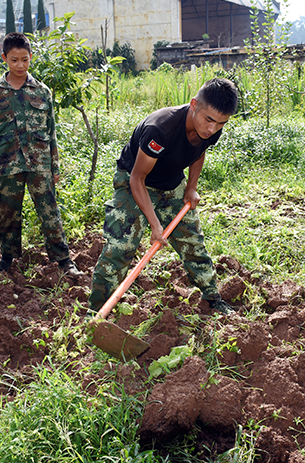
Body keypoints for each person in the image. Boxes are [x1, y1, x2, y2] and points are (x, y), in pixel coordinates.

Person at [89, 77, 238, 314]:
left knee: (192, 240)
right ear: (193, 105)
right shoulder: (160, 129)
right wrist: (155, 224)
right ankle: (97, 312)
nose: (212, 129)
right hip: (135, 180)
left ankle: (212, 298)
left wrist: (191, 187)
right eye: (209, 120)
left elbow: (199, 151)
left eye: (221, 123)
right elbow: (137, 179)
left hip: (172, 182)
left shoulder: (211, 129)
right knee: (121, 245)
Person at [0, 32, 81, 276]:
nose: (20, 65)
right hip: (8, 164)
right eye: (14, 60)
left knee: (50, 212)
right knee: (8, 214)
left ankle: (64, 260)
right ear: (4, 58)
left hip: (39, 164)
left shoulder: (42, 91)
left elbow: (51, 131)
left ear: (31, 57)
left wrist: (54, 166)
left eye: (24, 59)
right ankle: (7, 259)